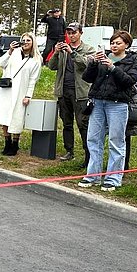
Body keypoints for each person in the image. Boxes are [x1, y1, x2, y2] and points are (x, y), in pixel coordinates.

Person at [77, 30, 137, 192]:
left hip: (118, 105)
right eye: (112, 42)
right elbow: (88, 78)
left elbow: (129, 82)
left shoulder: (132, 61)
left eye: (118, 43)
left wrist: (112, 68)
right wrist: (93, 63)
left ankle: (113, 178)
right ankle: (93, 175)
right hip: (97, 102)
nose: (114, 46)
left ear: (126, 44)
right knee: (93, 139)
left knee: (116, 141)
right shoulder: (103, 57)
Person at [48, 22, 96, 167]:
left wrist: (72, 52)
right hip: (64, 91)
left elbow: (87, 64)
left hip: (81, 92)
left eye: (74, 32)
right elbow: (51, 66)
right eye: (69, 33)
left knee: (83, 124)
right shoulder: (62, 50)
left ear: (80, 33)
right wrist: (56, 52)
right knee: (66, 123)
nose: (71, 35)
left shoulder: (88, 49)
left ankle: (88, 155)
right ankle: (69, 151)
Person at [0, 33, 42, 156]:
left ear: (32, 43)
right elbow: (1, 63)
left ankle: (15, 143)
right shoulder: (14, 53)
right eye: (23, 40)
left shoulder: (35, 60)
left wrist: (28, 95)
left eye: (28, 40)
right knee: (5, 115)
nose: (25, 42)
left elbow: (33, 80)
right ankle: (7, 142)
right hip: (7, 89)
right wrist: (9, 51)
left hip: (21, 91)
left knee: (17, 117)